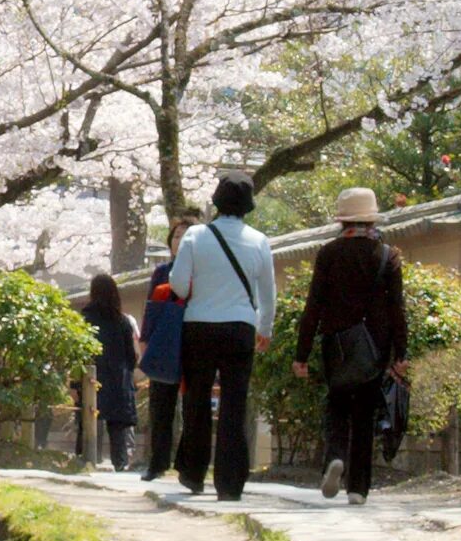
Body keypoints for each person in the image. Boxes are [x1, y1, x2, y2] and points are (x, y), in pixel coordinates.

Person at [294, 187, 406, 504]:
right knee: (365, 414)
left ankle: (334, 458)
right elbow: (397, 308)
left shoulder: (329, 253)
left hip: (337, 344)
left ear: (342, 222)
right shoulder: (388, 256)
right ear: (371, 219)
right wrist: (402, 352)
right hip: (375, 346)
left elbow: (313, 306)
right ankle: (358, 489)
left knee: (338, 404)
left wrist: (301, 355)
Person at [171, 175, 277, 501]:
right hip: (240, 328)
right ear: (248, 205)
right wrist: (265, 329)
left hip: (199, 326)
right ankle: (230, 483)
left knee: (197, 399)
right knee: (234, 402)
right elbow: (267, 294)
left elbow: (177, 284)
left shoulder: (195, 236)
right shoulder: (259, 241)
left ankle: (193, 472)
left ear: (216, 201)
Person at [79, 272, 139, 471]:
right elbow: (131, 356)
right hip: (117, 379)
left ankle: (87, 461)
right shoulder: (122, 321)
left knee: (88, 419)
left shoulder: (84, 318)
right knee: (117, 427)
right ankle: (120, 464)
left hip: (92, 378)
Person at [137, 258, 185, 482]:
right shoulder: (162, 272)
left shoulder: (204, 267)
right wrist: (145, 339)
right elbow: (151, 308)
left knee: (193, 403)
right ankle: (158, 462)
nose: (181, 240)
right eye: (176, 236)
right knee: (160, 403)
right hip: (165, 340)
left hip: (193, 338)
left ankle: (186, 463)